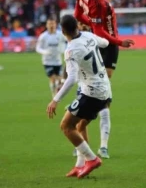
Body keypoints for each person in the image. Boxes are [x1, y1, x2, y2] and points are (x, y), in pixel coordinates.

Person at [74, 0, 135, 159]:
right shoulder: (97, 3)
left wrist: (89, 21)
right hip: (106, 46)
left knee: (101, 93)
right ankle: (86, 137)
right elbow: (100, 32)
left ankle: (95, 144)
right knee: (102, 95)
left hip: (102, 44)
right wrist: (119, 42)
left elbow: (77, 15)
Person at [46, 15, 111, 179]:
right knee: (80, 125)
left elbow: (72, 78)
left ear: (62, 30)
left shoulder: (71, 50)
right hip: (105, 90)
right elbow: (106, 43)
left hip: (91, 92)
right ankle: (80, 165)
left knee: (66, 126)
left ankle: (92, 159)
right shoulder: (88, 35)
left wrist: (56, 99)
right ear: (77, 26)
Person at [36, 17, 66, 97]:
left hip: (58, 61)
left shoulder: (60, 34)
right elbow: (38, 48)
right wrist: (45, 52)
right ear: (46, 25)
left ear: (56, 24)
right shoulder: (43, 36)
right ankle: (54, 94)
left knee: (59, 80)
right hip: (47, 61)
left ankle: (56, 92)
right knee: (52, 78)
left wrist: (64, 49)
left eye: (53, 23)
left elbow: (66, 42)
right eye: (49, 24)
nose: (51, 25)